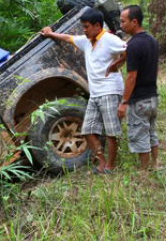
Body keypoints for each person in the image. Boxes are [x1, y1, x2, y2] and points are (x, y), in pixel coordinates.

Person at [40, 9, 127, 174]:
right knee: (87, 130)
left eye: (86, 27)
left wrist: (116, 65)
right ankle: (101, 161)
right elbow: (68, 38)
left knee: (111, 132)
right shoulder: (87, 41)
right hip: (95, 94)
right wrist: (51, 33)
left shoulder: (110, 39)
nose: (84, 30)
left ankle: (109, 166)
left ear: (96, 25)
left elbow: (129, 50)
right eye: (83, 27)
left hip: (110, 90)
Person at [106, 5, 159, 171]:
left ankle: (143, 172)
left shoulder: (134, 45)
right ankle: (155, 164)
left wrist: (124, 102)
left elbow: (131, 77)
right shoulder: (151, 40)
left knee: (139, 133)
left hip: (139, 100)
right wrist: (116, 63)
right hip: (153, 96)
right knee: (151, 131)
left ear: (134, 22)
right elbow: (155, 67)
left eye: (123, 21)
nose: (121, 25)